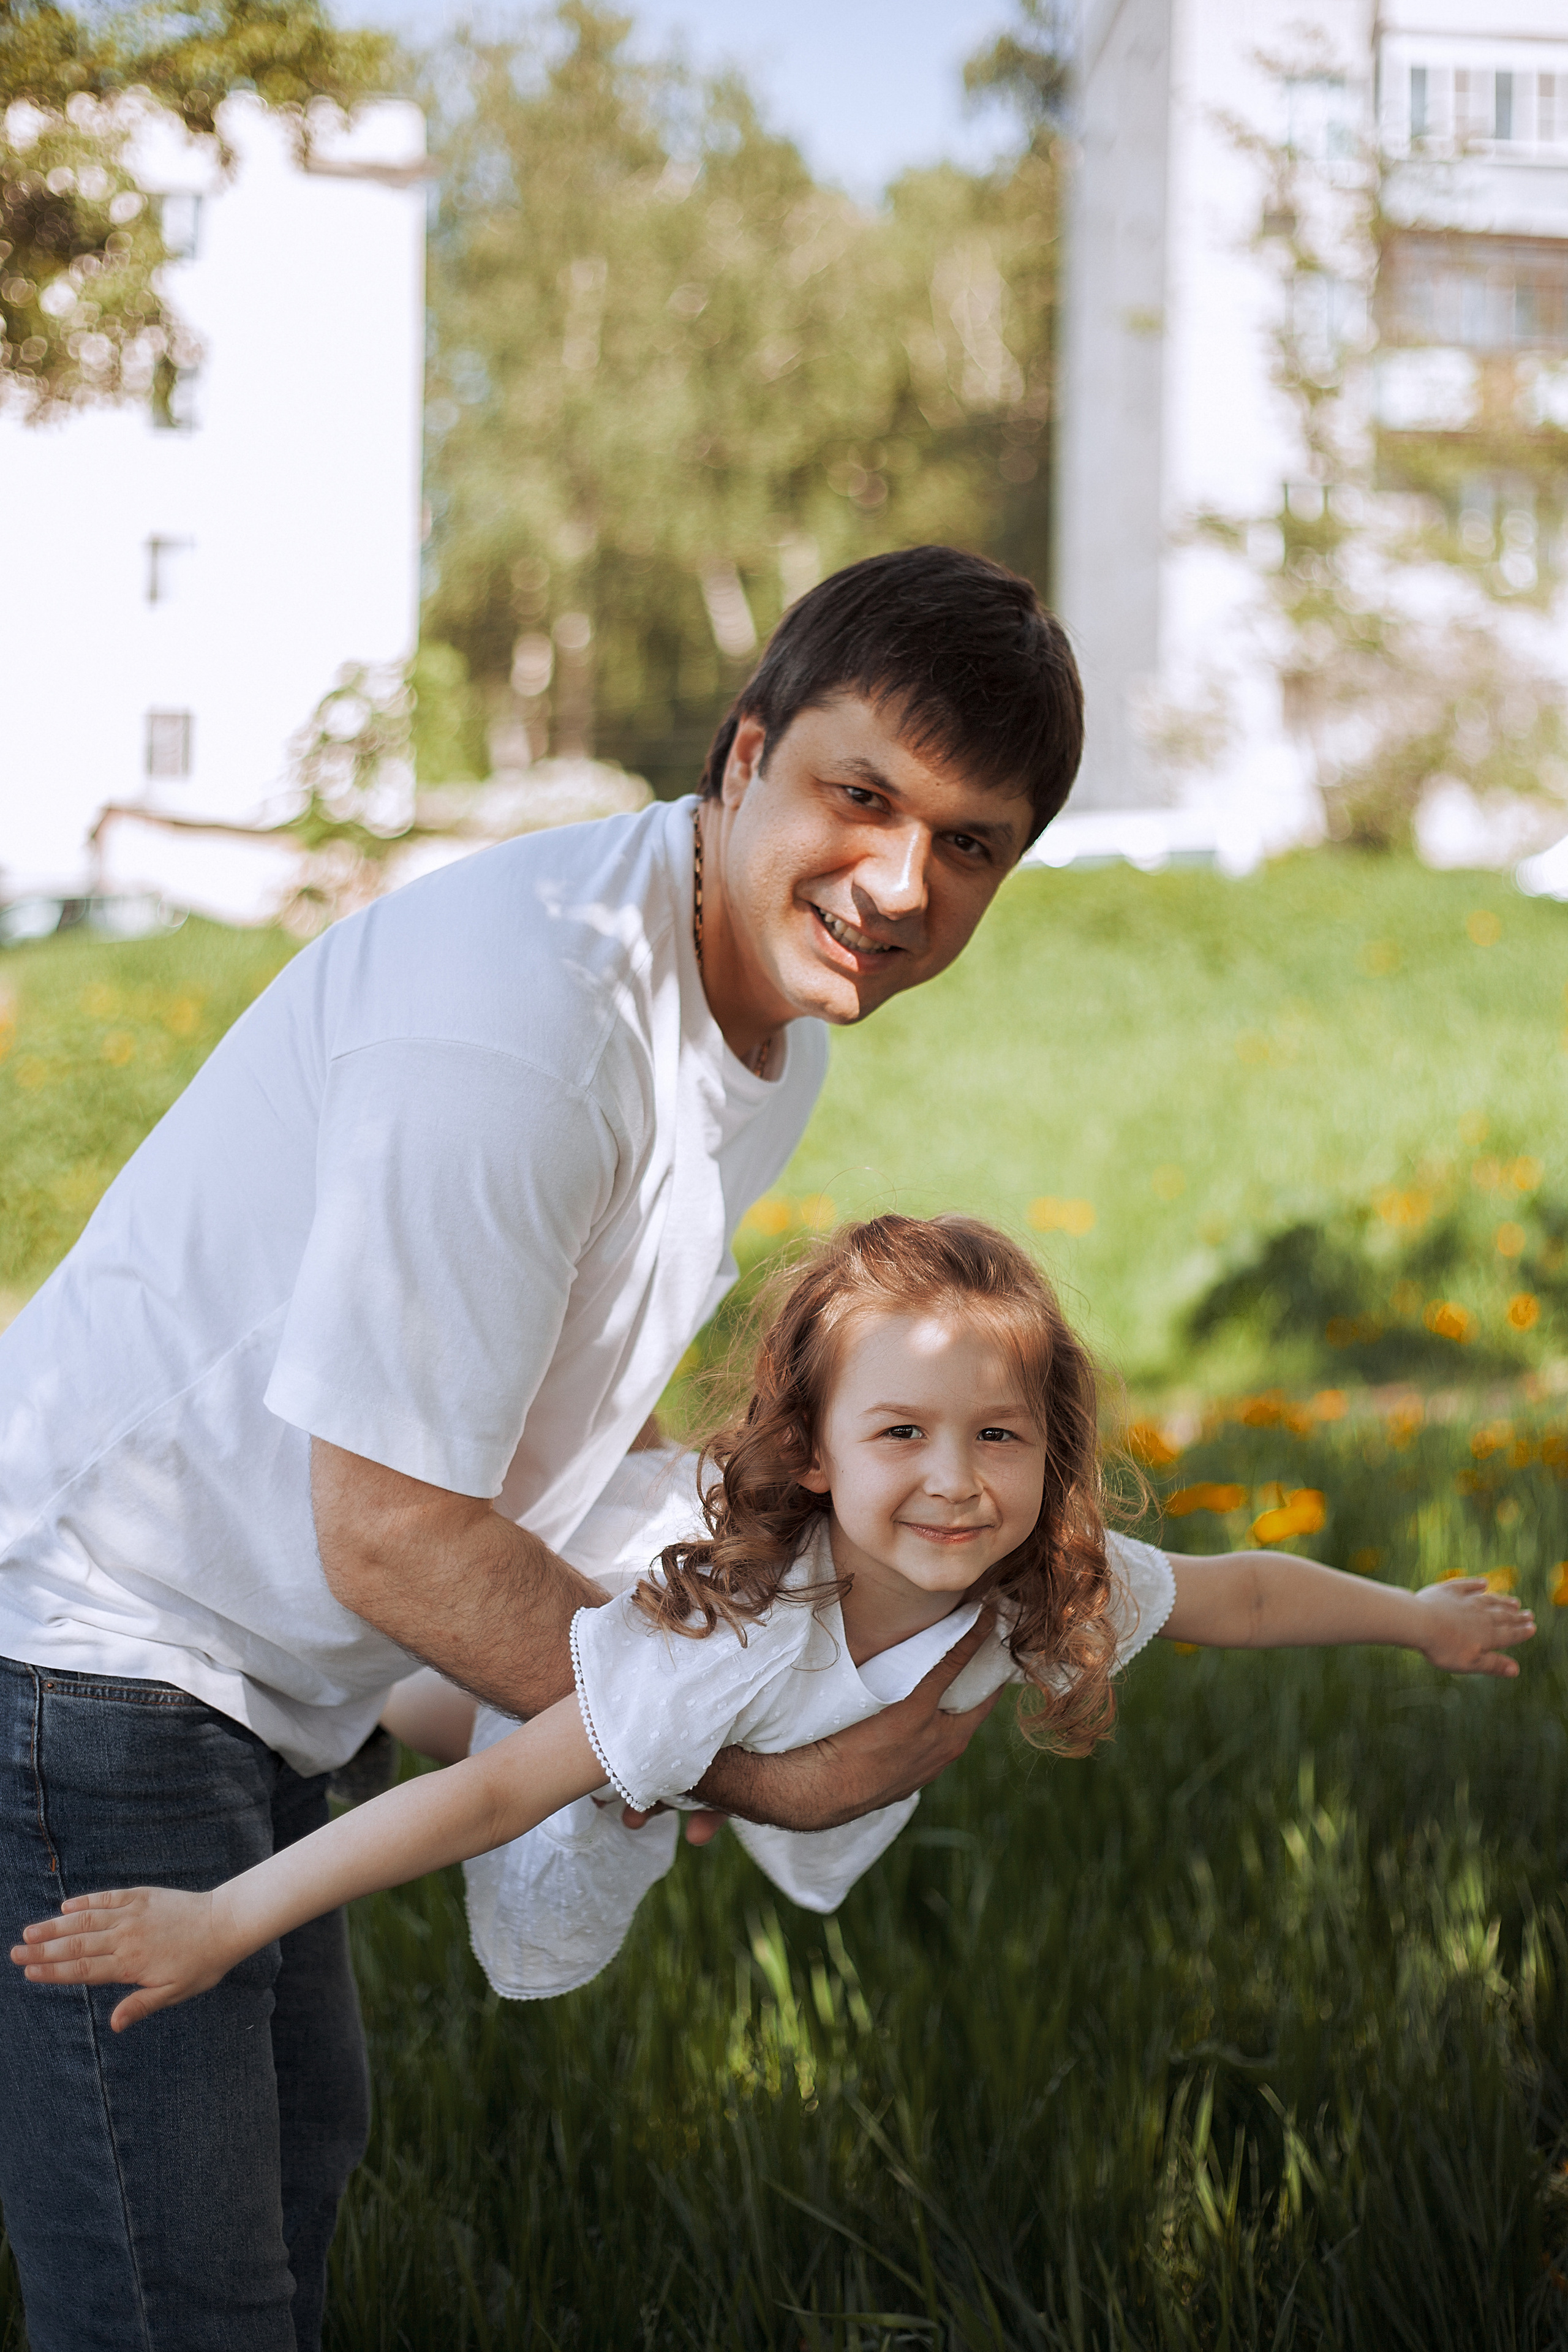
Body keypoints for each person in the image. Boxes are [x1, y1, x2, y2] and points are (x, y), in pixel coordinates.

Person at [0, 548, 1084, 2350]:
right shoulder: (534, 1019)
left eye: (969, 845)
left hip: (268, 1665)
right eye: (861, 795)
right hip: (100, 1628)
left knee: (288, 2171)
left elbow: (556, 1425)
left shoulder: (763, 1013)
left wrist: (753, 1630)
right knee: (174, 2287)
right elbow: (397, 1533)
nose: (899, 885)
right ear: (745, 758)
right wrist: (743, 1762)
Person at [13, 1216, 1534, 2032]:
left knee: (563, 1718)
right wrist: (226, 1916)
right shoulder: (718, 1647)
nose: (956, 1484)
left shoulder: (1040, 1584)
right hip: (640, 1692)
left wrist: (1412, 1617)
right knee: (505, 1742)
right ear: (814, 1450)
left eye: (996, 1437)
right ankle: (354, 1702)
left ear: (1048, 1446)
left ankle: (406, 1688)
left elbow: (1237, 1589)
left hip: (709, 1692)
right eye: (901, 1436)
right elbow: (490, 1797)